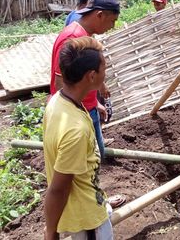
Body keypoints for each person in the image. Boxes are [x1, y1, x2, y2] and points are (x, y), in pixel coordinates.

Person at [44, 37, 113, 240]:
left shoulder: (58, 101)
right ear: (91, 76)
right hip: (88, 221)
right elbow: (58, 188)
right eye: (104, 70)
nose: (105, 74)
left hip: (87, 204)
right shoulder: (76, 130)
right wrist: (51, 232)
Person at [50, 0, 119, 159]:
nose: (113, 26)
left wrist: (94, 102)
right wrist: (73, 117)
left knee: (94, 157)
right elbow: (62, 81)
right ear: (100, 15)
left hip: (86, 108)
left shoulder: (84, 35)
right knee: (85, 160)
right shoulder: (73, 38)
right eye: (112, 21)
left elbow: (80, 79)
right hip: (78, 112)